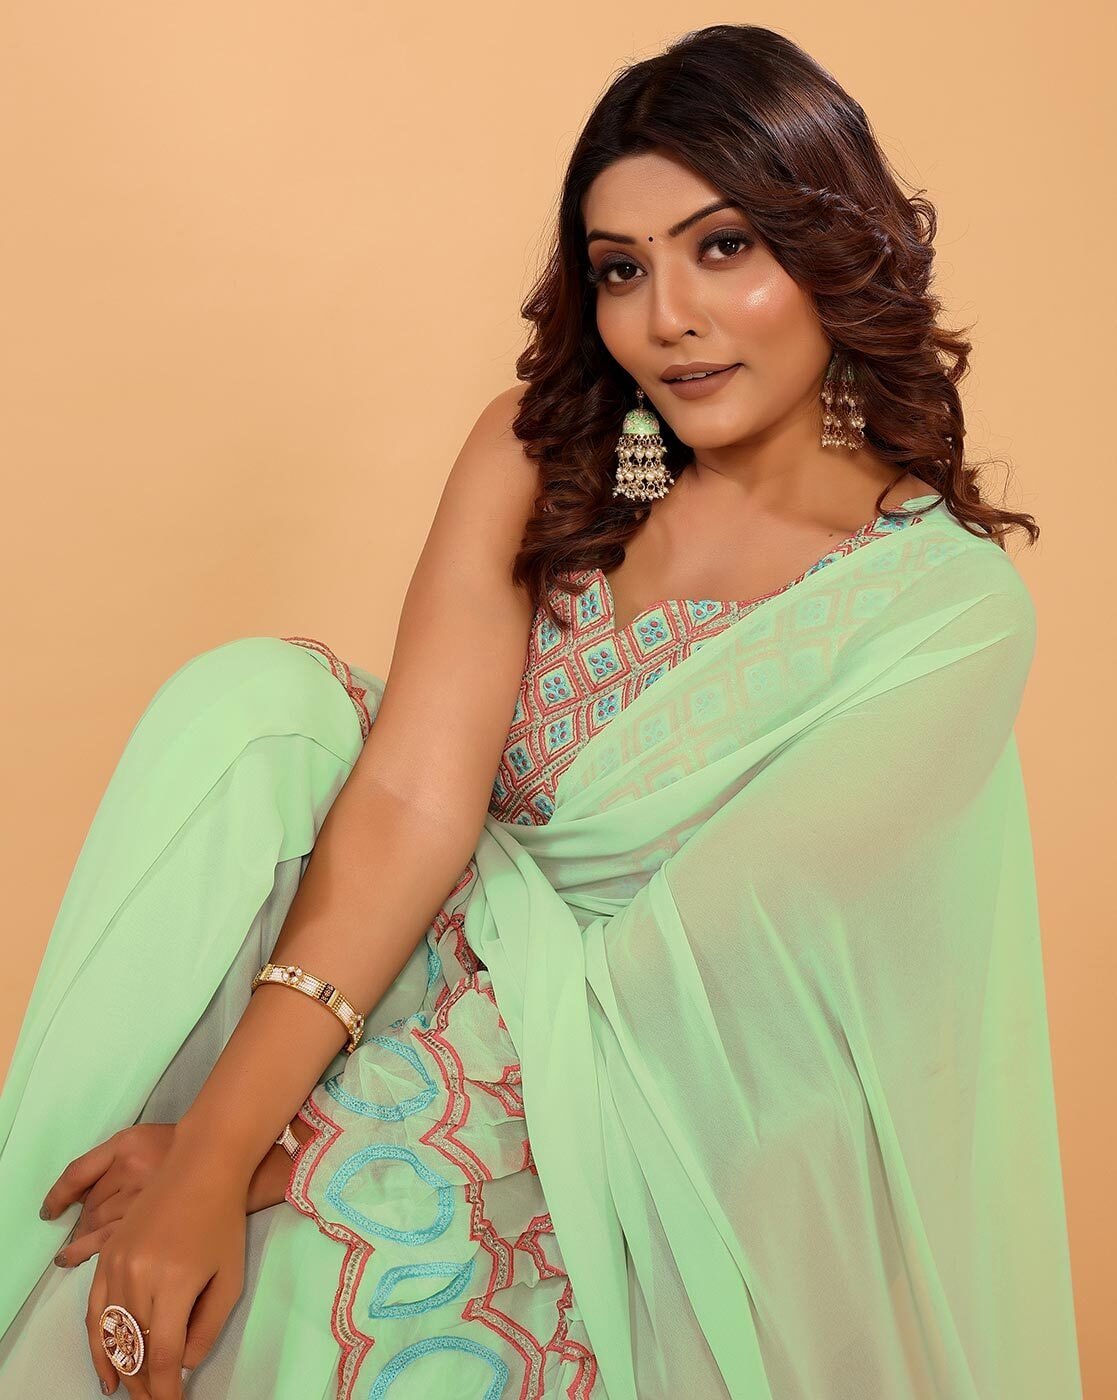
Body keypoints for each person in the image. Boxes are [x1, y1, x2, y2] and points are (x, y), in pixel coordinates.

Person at [0, 22, 1082, 1400]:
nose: (665, 316)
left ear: (834, 247)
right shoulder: (547, 456)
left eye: (723, 248)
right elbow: (409, 803)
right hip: (376, 985)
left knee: (321, 1306)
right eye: (621, 268)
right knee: (250, 709)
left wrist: (310, 1152)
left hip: (642, 1117)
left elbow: (692, 981)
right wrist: (212, 1148)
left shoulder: (938, 612)